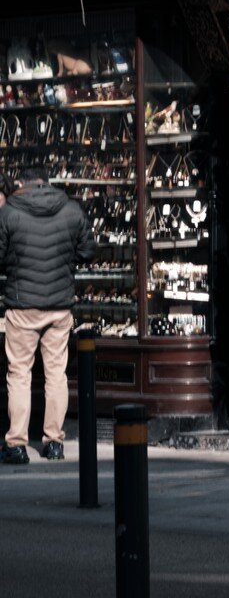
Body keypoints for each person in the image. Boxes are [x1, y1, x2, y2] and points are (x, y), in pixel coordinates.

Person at [2, 166, 96, 464]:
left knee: (19, 373)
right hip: (59, 303)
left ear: (22, 183)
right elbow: (88, 250)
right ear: (47, 182)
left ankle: (16, 443)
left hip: (22, 304)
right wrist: (66, 259)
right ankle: (54, 441)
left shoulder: (9, 212)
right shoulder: (70, 209)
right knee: (56, 374)